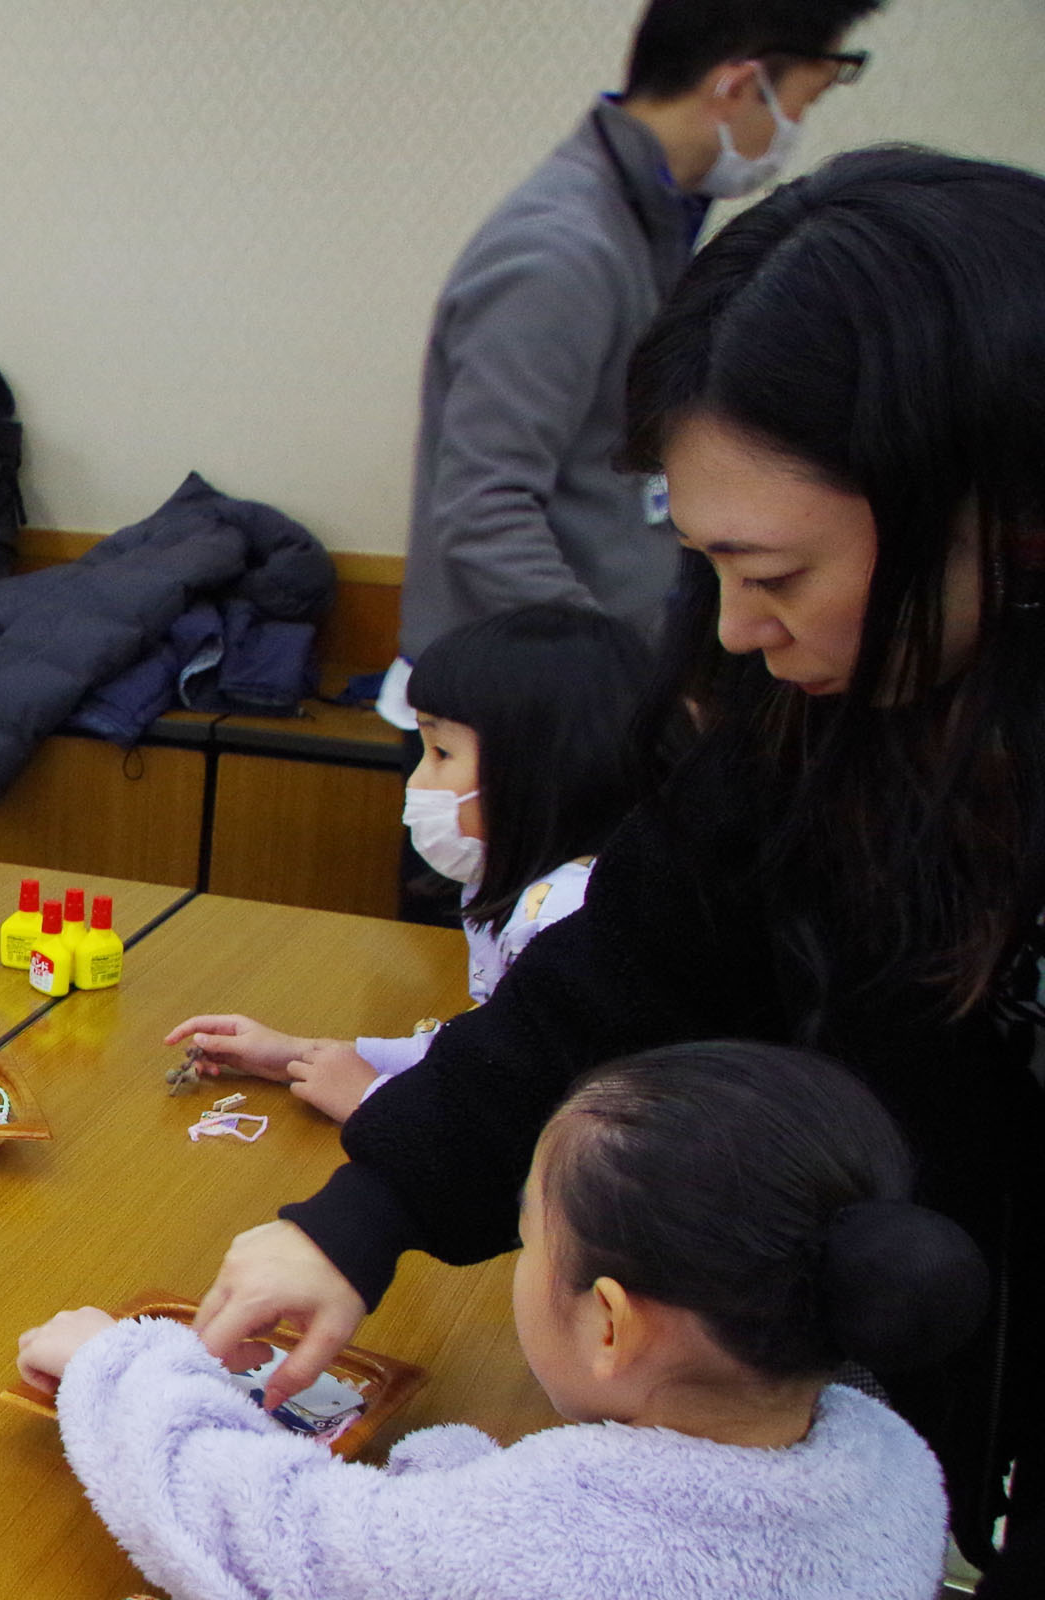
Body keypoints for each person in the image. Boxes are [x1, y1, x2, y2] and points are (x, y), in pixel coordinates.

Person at [195, 149, 1045, 1594]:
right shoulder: (817, 725)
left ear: (1000, 526)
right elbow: (611, 980)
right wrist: (361, 1219)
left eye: (775, 578)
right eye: (706, 566)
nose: (732, 631)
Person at [17, 1043, 987, 1600]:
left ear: (610, 1326)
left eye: (529, 1237)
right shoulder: (889, 1463)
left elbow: (252, 1527)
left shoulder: (540, 1547)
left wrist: (120, 1362)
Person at [383, 0, 876, 922]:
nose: (792, 135)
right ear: (739, 83)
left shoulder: (647, 223)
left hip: (574, 719)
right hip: (524, 736)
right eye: (798, 104)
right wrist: (630, 692)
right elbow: (484, 510)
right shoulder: (563, 248)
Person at [169, 605, 648, 1119]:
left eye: (442, 753)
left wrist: (371, 1100)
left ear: (542, 770)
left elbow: (526, 1121)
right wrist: (300, 1055)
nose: (417, 782)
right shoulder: (516, 888)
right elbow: (479, 1051)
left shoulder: (564, 921)